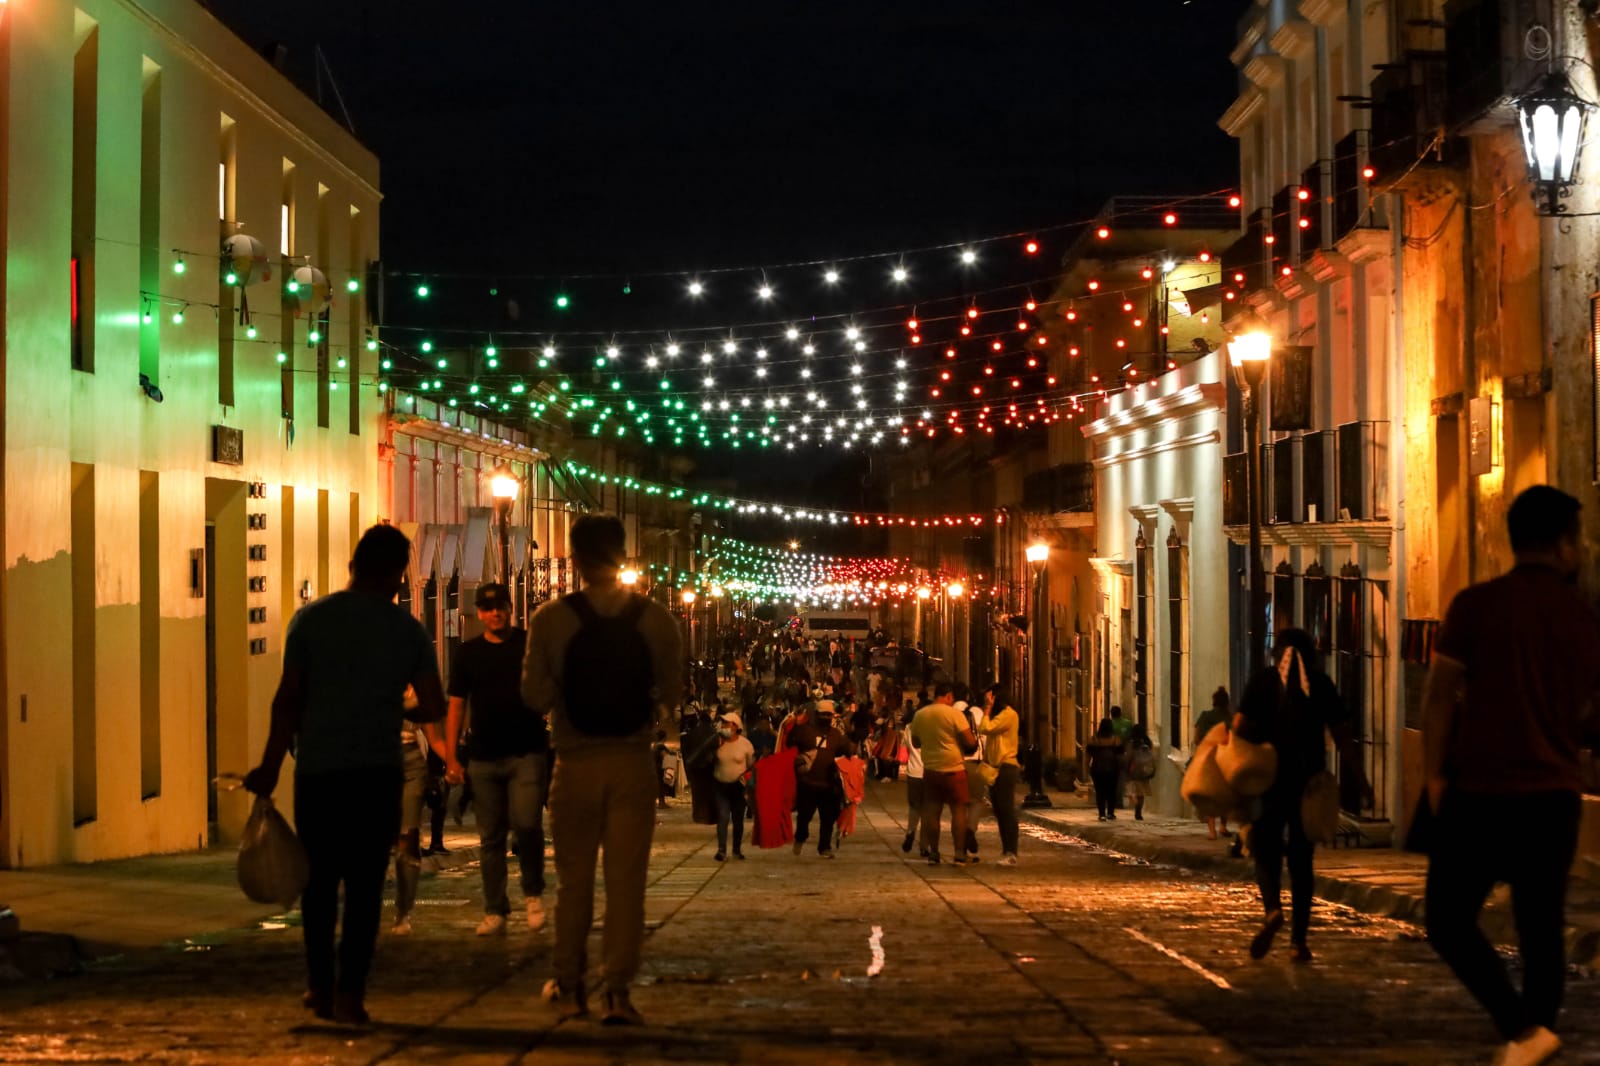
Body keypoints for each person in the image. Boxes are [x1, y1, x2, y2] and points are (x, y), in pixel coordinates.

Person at [1422, 486, 1600, 1066]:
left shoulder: (1476, 606)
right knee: (1541, 926)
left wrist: (1433, 774)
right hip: (1553, 795)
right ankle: (1533, 1032)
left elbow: (1439, 696)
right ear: (1564, 544)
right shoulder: (1582, 619)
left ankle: (1522, 1032)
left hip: (1482, 789)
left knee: (1448, 920)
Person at [242, 525, 446, 1026]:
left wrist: (268, 767)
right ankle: (351, 993)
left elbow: (287, 700)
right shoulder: (406, 631)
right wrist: (394, 706)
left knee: (318, 882)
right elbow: (434, 704)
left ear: (353, 565)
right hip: (377, 773)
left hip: (320, 772)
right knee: (364, 886)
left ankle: (319, 985)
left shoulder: (311, 621)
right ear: (398, 576)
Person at [522, 514, 682, 1026]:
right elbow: (672, 695)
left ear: (575, 558)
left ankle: (569, 984)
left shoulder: (551, 618)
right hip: (632, 762)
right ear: (623, 553)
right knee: (626, 884)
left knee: (573, 883)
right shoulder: (656, 619)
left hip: (574, 760)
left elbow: (533, 696)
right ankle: (617, 990)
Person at [1233, 627, 1349, 965]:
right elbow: (1342, 735)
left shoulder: (1264, 682)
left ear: (1277, 653)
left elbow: (1239, 726)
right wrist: (1360, 780)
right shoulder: (1321, 684)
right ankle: (1298, 942)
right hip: (1309, 784)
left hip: (1269, 781)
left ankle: (1272, 910)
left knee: (1264, 850)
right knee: (1302, 862)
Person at [443, 582, 550, 938]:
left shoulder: (529, 645)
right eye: (488, 608)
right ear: (479, 613)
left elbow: (551, 686)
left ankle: (533, 893)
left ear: (509, 608)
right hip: (484, 755)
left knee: (527, 823)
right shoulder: (468, 654)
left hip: (527, 751)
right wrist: (452, 757)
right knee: (490, 838)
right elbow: (456, 704)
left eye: (500, 606)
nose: (495, 613)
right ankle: (495, 909)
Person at [392, 688, 448, 937]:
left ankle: (403, 911)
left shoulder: (413, 679)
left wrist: (454, 761)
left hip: (411, 761)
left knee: (407, 837)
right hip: (373, 760)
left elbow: (432, 734)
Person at [909, 682, 979, 865]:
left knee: (932, 811)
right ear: (948, 696)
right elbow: (970, 742)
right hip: (955, 769)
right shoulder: (955, 714)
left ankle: (934, 852)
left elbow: (916, 742)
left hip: (931, 769)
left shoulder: (920, 715)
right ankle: (959, 853)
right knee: (958, 810)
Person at [787, 700, 851, 858]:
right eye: (824, 714)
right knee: (805, 816)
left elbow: (845, 751)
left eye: (829, 715)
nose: (827, 718)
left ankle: (824, 847)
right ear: (816, 715)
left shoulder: (835, 734)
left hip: (828, 784)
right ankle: (801, 837)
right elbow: (790, 746)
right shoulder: (804, 731)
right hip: (807, 783)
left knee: (827, 818)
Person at [977, 685, 1021, 866]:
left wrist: (987, 710)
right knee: (1000, 811)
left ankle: (1011, 851)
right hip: (996, 767)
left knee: (1006, 810)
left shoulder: (1008, 714)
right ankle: (1006, 850)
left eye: (990, 698)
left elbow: (985, 727)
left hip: (1006, 767)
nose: (988, 702)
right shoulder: (1002, 715)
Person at [1193, 687, 1233, 840]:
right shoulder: (1229, 718)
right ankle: (1223, 826)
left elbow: (1197, 739)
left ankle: (1212, 831)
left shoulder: (1205, 716)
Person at [899, 704, 926, 856]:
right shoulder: (931, 727)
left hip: (913, 772)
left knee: (914, 807)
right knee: (929, 809)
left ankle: (910, 831)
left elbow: (904, 751)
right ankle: (924, 845)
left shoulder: (909, 728)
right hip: (930, 771)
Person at [1087, 718, 1124, 821]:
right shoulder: (1116, 740)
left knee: (1100, 792)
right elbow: (1120, 756)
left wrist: (1087, 768)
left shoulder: (1094, 739)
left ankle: (1102, 813)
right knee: (1111, 791)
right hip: (1113, 769)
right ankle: (1111, 813)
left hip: (1097, 769)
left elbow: (1088, 755)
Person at [1124, 722, 1155, 822]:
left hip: (1134, 769)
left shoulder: (1131, 743)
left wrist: (1126, 768)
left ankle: (1135, 802)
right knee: (1141, 793)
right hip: (1145, 770)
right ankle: (1139, 811)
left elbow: (1128, 757)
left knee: (1130, 790)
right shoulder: (1147, 742)